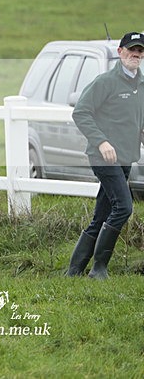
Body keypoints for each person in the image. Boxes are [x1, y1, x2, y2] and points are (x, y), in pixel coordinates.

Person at [67, 31, 144, 279]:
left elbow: (138, 122)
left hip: (126, 158)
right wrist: (101, 142)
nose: (136, 54)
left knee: (102, 214)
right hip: (104, 158)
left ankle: (74, 270)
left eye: (140, 50)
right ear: (120, 52)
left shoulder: (141, 85)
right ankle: (99, 268)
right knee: (123, 207)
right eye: (132, 49)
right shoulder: (105, 82)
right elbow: (81, 112)